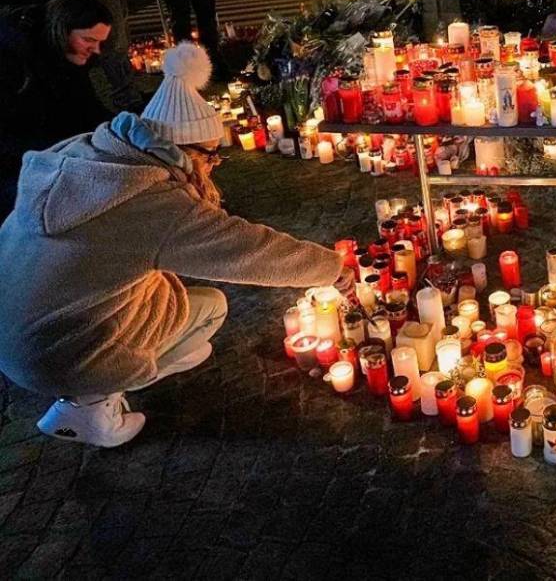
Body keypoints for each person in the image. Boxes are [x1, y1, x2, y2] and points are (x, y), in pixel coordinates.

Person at [0, 42, 345, 447]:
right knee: (209, 310)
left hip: (15, 335)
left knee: (172, 311)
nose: (213, 167)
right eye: (211, 157)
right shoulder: (148, 199)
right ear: (185, 151)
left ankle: (92, 387)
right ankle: (90, 409)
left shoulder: (90, 159)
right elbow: (250, 251)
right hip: (55, 354)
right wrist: (333, 268)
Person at [0, 0, 114, 217]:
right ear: (62, 31)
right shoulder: (12, 60)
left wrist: (122, 129)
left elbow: (87, 108)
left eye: (100, 42)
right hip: (18, 168)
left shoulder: (66, 56)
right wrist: (63, 155)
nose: (96, 50)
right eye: (89, 40)